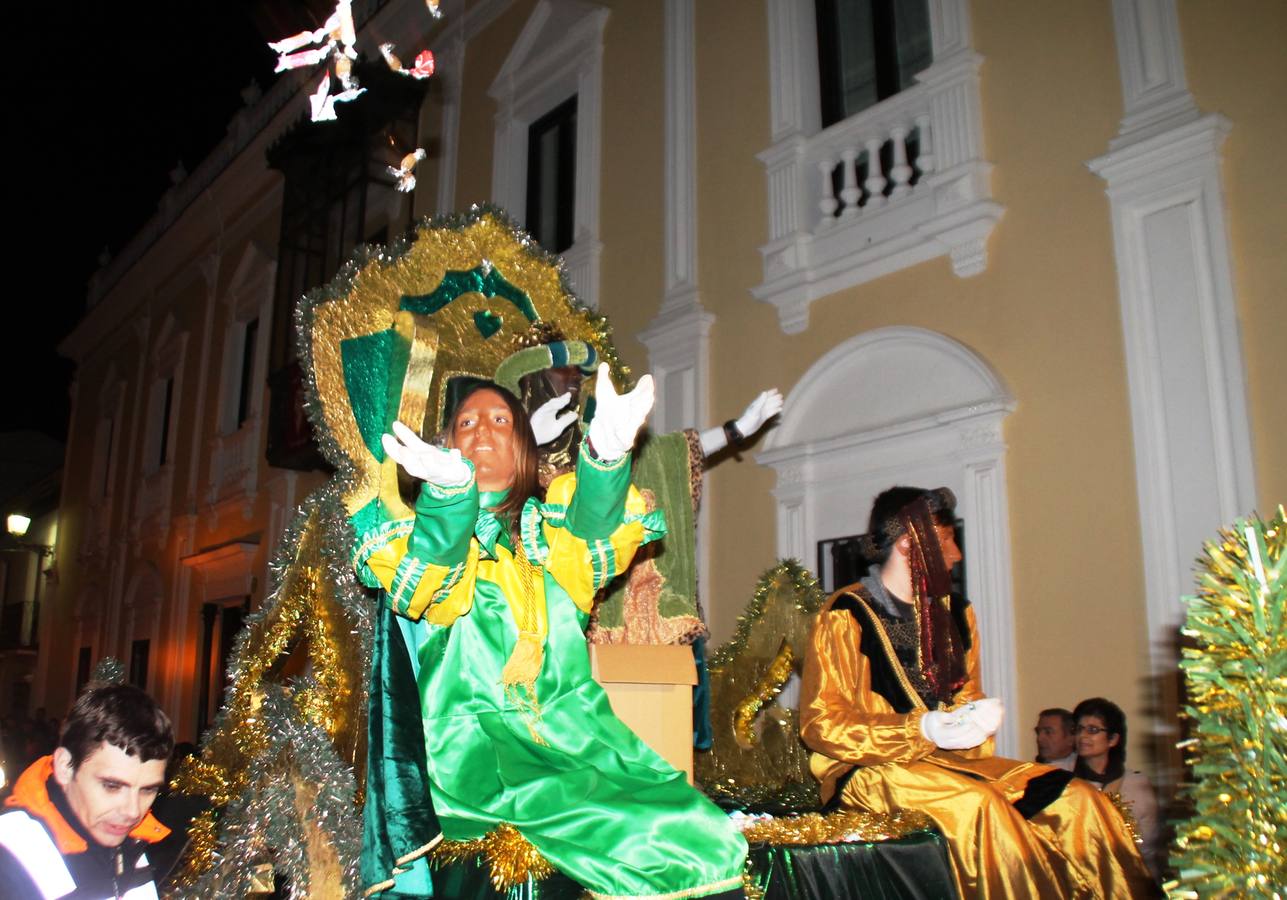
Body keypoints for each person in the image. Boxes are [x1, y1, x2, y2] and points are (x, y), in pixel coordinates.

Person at [358, 366, 748, 898]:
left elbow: (592, 528)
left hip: (580, 738)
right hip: (477, 752)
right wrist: (450, 499)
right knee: (655, 836)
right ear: (446, 445)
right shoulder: (426, 539)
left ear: (524, 444)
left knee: (699, 828)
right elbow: (431, 583)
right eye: (466, 422)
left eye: (500, 418)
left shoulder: (550, 533)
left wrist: (607, 458)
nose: (482, 431)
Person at [799, 486, 1154, 899]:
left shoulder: (958, 615)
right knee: (980, 808)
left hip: (949, 766)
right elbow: (822, 724)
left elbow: (967, 698)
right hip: (868, 771)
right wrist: (923, 729)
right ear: (910, 545)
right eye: (947, 541)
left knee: (1080, 799)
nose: (956, 555)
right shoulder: (846, 614)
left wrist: (974, 720)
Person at [0, 684, 174, 899]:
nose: (132, 811)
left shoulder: (131, 841)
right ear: (65, 767)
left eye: (148, 790)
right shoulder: (10, 854)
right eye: (112, 786)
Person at [1073, 697, 1162, 881]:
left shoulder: (1135, 785)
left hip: (1131, 882)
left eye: (1093, 730)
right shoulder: (1065, 784)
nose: (1083, 736)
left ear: (1112, 739)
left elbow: (1146, 846)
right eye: (1079, 729)